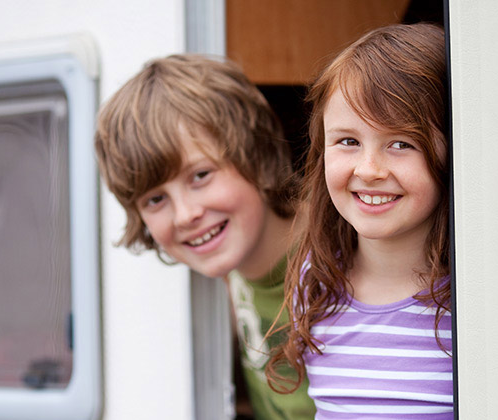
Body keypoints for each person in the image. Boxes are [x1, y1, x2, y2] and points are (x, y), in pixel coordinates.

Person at [94, 54, 316, 420]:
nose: (185, 215)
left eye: (200, 176)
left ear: (255, 155)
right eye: (155, 199)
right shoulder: (236, 269)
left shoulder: (337, 264)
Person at [266, 23, 454, 419]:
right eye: (348, 141)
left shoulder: (469, 303)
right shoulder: (315, 280)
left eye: (401, 143)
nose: (369, 170)